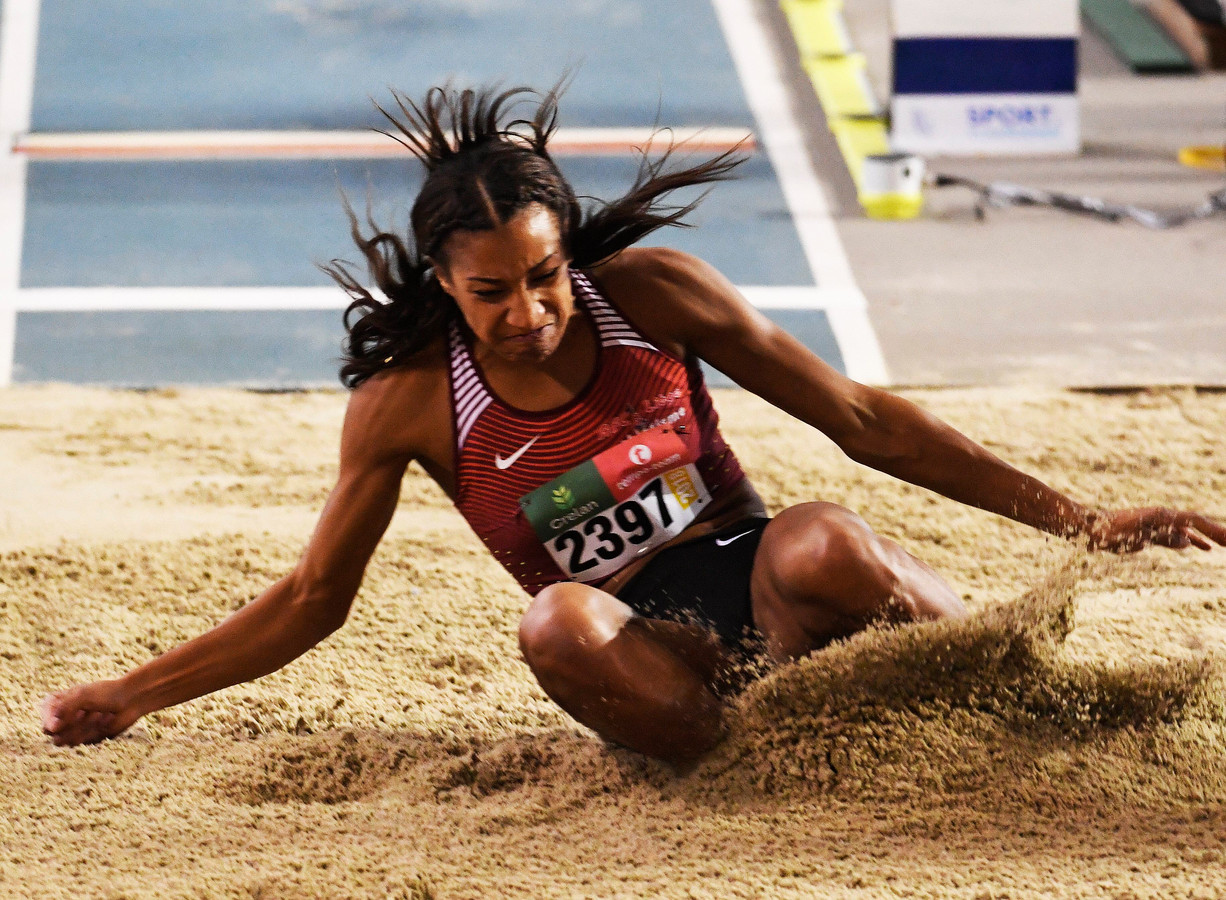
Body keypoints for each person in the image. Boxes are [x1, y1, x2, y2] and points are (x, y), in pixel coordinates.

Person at [40, 84, 1226, 764]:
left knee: (820, 531)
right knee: (552, 621)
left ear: (570, 252)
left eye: (544, 278)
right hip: (659, 668)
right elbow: (313, 601)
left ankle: (1022, 688)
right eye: (492, 293)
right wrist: (134, 695)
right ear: (444, 287)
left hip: (772, 594)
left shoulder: (652, 297)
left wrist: (1077, 519)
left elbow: (865, 420)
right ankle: (761, 776)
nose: (529, 314)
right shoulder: (405, 400)